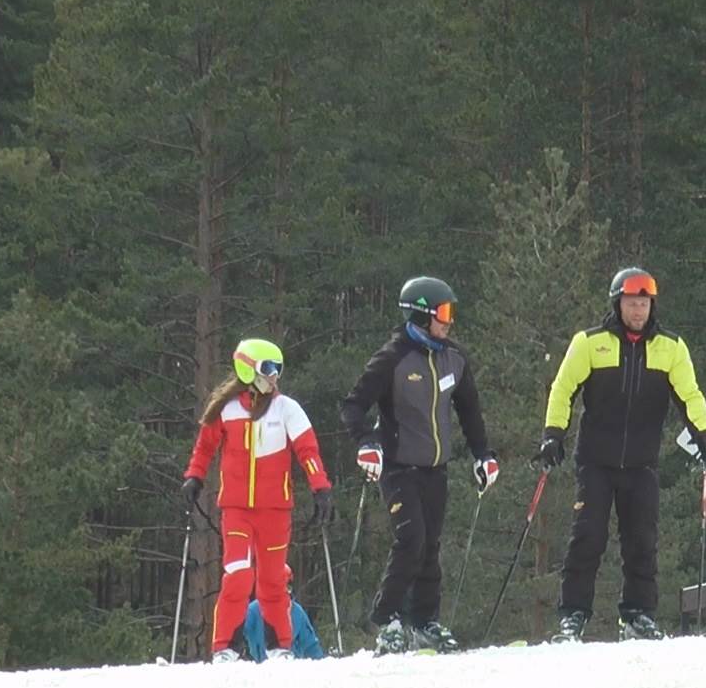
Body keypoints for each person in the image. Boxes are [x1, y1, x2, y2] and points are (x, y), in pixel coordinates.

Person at [538, 266, 706, 642]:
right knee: (588, 536)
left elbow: (689, 396)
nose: (638, 311)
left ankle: (637, 614)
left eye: (644, 303)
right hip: (596, 461)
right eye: (631, 303)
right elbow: (563, 388)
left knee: (642, 540)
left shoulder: (671, 347)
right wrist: (553, 433)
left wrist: (704, 433)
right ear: (617, 303)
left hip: (641, 462)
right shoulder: (590, 343)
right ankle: (573, 615)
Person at [340, 276, 498, 655]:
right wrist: (366, 444)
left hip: (435, 468)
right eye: (444, 313)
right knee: (411, 540)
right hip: (399, 466)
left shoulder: (454, 358)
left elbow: (470, 411)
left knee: (430, 546)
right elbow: (353, 405)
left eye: (451, 313)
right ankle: (388, 619)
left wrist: (484, 454)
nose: (449, 321)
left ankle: (425, 622)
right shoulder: (393, 358)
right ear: (422, 315)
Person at [182, 338, 334, 663]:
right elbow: (204, 447)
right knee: (238, 574)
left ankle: (281, 646)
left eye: (279, 369)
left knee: (272, 580)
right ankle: (224, 648)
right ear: (248, 368)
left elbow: (307, 449)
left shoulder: (286, 408)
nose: (275, 376)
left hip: (275, 510)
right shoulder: (227, 409)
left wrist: (320, 487)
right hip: (236, 509)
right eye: (268, 369)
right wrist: (194, 476)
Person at [238, 595, 326, 661]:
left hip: (289, 667)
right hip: (260, 667)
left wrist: (320, 667)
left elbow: (311, 646)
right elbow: (237, 630)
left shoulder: (297, 612)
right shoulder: (253, 611)